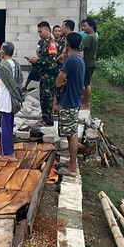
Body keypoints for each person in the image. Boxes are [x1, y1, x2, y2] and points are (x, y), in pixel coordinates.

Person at [55, 33, 85, 176]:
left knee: (71, 135)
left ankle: (72, 169)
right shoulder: (79, 59)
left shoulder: (70, 60)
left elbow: (58, 82)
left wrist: (62, 81)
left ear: (67, 43)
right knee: (70, 133)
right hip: (75, 100)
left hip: (68, 101)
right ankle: (71, 163)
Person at [0, 41, 24, 162]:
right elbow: (19, 82)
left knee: (5, 127)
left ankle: (9, 153)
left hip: (7, 100)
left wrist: (18, 97)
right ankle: (4, 148)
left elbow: (10, 85)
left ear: (3, 52)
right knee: (5, 126)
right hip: (10, 100)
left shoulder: (3, 67)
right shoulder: (16, 64)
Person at [28, 21, 58, 126]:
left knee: (48, 98)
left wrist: (38, 61)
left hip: (49, 75)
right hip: (43, 75)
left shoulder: (51, 43)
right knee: (43, 98)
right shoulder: (42, 42)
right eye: (38, 32)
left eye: (40, 31)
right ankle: (44, 118)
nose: (39, 34)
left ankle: (49, 120)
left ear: (47, 30)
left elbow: (52, 60)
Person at [80, 17, 98, 110]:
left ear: (91, 26)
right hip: (90, 63)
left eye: (85, 26)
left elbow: (80, 47)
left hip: (88, 64)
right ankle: (85, 102)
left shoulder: (89, 37)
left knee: (86, 84)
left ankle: (86, 104)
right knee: (86, 83)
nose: (83, 28)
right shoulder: (93, 36)